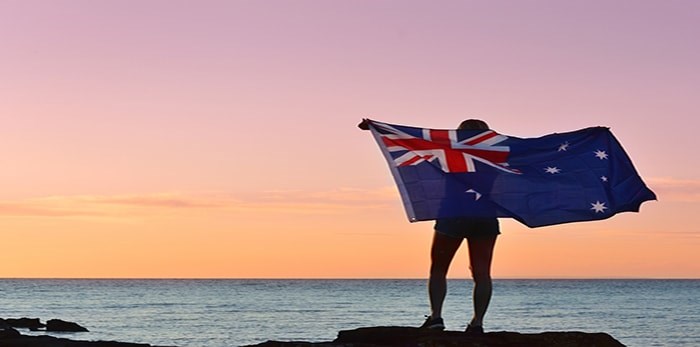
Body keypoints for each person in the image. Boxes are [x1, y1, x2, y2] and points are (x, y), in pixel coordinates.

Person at [358, 118, 499, 334]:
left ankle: (436, 318)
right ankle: (477, 323)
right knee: (482, 273)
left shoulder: (448, 151)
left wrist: (378, 129)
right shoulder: (498, 157)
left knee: (439, 268)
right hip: (485, 215)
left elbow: (413, 143)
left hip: (452, 213)